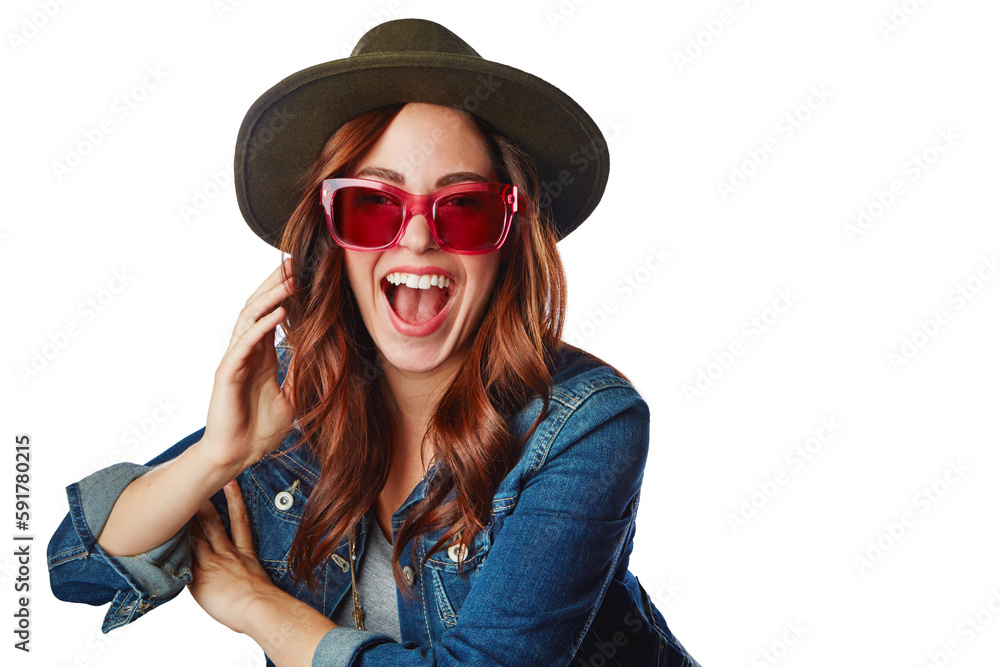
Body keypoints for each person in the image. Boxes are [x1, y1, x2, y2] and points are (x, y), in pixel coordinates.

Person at [46, 18, 701, 667]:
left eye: (465, 208)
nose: (417, 238)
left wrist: (259, 609)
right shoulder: (294, 402)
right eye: (372, 206)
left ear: (509, 242)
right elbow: (77, 564)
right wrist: (222, 453)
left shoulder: (587, 422)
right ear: (331, 239)